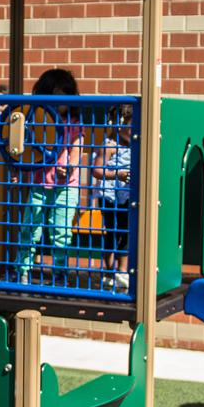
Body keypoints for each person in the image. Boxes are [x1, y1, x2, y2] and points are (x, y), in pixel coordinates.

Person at [13, 68, 84, 284]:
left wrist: (71, 166)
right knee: (30, 229)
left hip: (65, 185)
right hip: (39, 183)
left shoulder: (73, 122)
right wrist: (19, 170)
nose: (56, 104)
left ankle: (60, 273)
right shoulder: (36, 120)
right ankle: (22, 270)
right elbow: (24, 147)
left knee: (61, 232)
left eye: (62, 98)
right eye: (51, 97)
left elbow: (77, 147)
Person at [93, 103, 135, 294]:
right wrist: (116, 175)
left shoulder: (136, 145)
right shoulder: (110, 145)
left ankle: (122, 271)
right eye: (130, 125)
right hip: (109, 196)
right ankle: (109, 271)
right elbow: (97, 170)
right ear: (118, 125)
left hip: (126, 195)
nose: (133, 130)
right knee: (112, 232)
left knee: (126, 232)